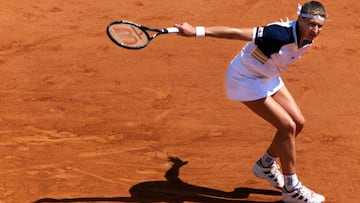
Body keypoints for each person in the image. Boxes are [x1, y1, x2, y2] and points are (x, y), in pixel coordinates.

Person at [174, 1, 327, 203]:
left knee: (298, 123)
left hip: (268, 77)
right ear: (300, 19)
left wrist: (174, 169)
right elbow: (235, 32)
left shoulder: (306, 38)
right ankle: (291, 188)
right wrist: (196, 31)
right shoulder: (277, 34)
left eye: (319, 26)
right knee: (286, 126)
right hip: (245, 79)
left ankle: (265, 165)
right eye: (311, 24)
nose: (315, 30)